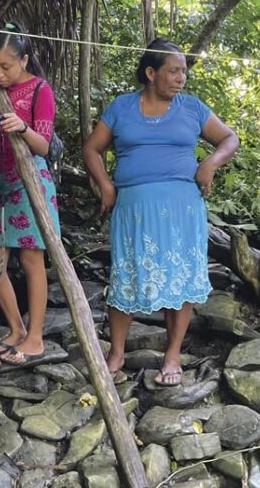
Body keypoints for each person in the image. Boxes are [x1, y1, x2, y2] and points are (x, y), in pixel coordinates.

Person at [82, 38, 239, 386]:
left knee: (179, 279)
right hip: (134, 211)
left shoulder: (192, 108)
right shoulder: (122, 108)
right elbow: (92, 149)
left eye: (183, 71)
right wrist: (106, 186)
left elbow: (230, 139)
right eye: (173, 70)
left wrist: (210, 163)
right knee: (126, 276)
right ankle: (117, 353)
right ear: (151, 73)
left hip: (182, 210)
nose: (181, 77)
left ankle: (172, 355)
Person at [0, 21, 61, 366]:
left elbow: (43, 145)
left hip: (31, 184)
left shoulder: (40, 90)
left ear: (24, 60)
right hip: (1, 183)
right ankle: (15, 329)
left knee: (31, 260)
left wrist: (22, 127)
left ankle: (36, 337)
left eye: (6, 66)